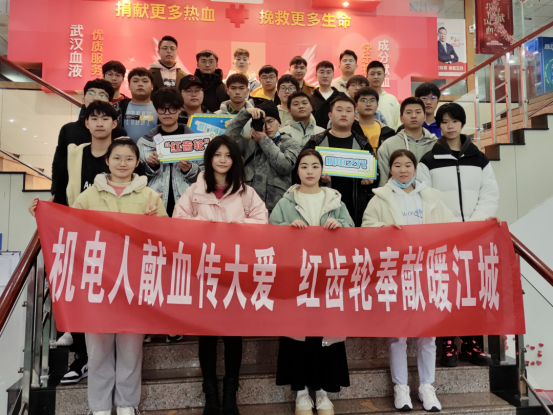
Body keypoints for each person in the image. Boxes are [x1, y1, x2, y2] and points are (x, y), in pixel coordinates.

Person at [173, 135, 268, 415]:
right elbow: (178, 222)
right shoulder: (194, 191)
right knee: (207, 335)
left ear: (235, 160)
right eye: (217, 155)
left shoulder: (247, 193)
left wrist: (238, 226)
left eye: (228, 155)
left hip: (236, 271)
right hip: (204, 271)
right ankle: (210, 394)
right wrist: (204, 224)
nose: (223, 160)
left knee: (233, 334)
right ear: (209, 158)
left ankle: (230, 394)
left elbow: (262, 222)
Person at [73, 138, 167, 415]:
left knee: (130, 348)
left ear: (137, 162)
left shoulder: (150, 196)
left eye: (128, 158)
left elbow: (167, 237)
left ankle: (127, 404)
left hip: (134, 283)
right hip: (97, 282)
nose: (122, 163)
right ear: (107, 161)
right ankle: (100, 407)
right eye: (117, 157)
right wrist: (42, 215)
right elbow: (68, 228)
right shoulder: (88, 196)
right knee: (98, 348)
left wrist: (153, 221)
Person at [362, 149, 456, 412]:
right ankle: (401, 387)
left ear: (415, 168)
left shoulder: (431, 197)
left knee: (428, 334)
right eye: (397, 165)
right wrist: (385, 231)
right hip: (395, 273)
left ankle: (427, 386)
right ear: (389, 169)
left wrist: (484, 224)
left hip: (427, 271)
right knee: (398, 333)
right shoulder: (380, 198)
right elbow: (366, 228)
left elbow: (453, 227)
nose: (403, 170)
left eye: (407, 165)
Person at [47, 101, 128, 386]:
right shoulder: (74, 154)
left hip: (116, 240)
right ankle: (82, 358)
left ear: (115, 124)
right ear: (86, 123)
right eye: (94, 118)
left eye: (106, 118)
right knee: (83, 295)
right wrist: (46, 211)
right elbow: (62, 191)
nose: (100, 123)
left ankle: (112, 357)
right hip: (81, 238)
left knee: (114, 299)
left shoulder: (122, 154)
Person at [270, 148, 354, 415]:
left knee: (326, 334)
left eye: (315, 166)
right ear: (297, 171)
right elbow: (269, 235)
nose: (309, 171)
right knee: (298, 334)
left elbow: (352, 233)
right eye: (304, 166)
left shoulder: (335, 201)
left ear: (322, 171)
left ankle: (324, 392)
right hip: (297, 279)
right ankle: (301, 393)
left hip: (328, 279)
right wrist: (287, 230)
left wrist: (339, 227)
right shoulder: (286, 202)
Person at [417, 103, 499, 368]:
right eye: (444, 121)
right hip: (444, 236)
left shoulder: (480, 158)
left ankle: (472, 346)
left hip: (474, 237)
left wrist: (473, 225)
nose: (449, 126)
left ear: (462, 124)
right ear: (438, 125)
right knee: (446, 290)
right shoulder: (428, 160)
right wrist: (451, 225)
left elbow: (490, 194)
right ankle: (449, 345)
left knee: (473, 291)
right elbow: (425, 197)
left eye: (454, 121)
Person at [304, 95, 376, 226]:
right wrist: (318, 179)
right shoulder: (315, 142)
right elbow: (301, 171)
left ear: (354, 116)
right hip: (320, 208)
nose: (344, 114)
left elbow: (375, 176)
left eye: (348, 111)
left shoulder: (363, 144)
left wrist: (369, 181)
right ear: (330, 115)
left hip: (354, 209)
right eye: (339, 110)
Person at [51, 80, 127, 205]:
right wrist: (56, 192)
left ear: (110, 103)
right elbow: (59, 163)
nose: (96, 97)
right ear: (83, 99)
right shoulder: (68, 130)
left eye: (102, 94)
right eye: (91, 93)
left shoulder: (118, 131)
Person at [224, 101, 301, 212]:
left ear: (279, 122)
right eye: (263, 123)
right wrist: (245, 113)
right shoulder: (249, 143)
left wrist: (263, 140)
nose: (267, 127)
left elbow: (285, 166)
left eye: (270, 121)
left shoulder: (290, 143)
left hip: (277, 209)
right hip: (247, 207)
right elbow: (228, 138)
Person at [137, 87, 202, 218]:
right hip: (154, 205)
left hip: (188, 205)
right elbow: (137, 179)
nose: (167, 113)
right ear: (156, 110)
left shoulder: (195, 142)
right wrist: (150, 167)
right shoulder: (144, 143)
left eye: (172, 108)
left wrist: (190, 169)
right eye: (162, 109)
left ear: (180, 109)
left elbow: (205, 176)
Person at [377, 97, 437, 186]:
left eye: (418, 112)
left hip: (429, 194)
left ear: (424, 116)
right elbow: (383, 181)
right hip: (396, 194)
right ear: (401, 118)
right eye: (409, 112)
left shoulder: (435, 145)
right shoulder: (388, 145)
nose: (413, 116)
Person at [112, 67, 157, 142]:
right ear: (129, 86)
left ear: (152, 86)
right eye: (135, 81)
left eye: (145, 81)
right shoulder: (118, 107)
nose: (140, 84)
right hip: (124, 148)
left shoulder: (160, 108)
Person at [353, 87, 395, 152]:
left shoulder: (388, 132)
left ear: (377, 105)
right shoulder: (349, 129)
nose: (368, 104)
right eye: (363, 100)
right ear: (356, 105)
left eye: (372, 100)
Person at [366, 61, 400, 130]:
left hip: (390, 136)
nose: (376, 77)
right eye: (372, 74)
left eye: (379, 74)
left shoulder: (392, 99)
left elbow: (398, 123)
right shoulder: (362, 99)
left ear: (384, 76)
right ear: (367, 76)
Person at [311, 61, 341, 129]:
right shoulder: (309, 98)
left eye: (328, 72)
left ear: (333, 75)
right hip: (314, 134)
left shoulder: (341, 97)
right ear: (316, 75)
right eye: (322, 72)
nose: (325, 76)